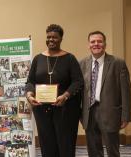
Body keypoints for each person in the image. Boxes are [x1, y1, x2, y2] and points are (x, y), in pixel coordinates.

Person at [25, 24, 84, 157]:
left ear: (61, 39)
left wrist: (65, 95)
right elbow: (30, 81)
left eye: (55, 37)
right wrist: (29, 95)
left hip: (65, 110)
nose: (51, 40)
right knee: (47, 144)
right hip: (42, 110)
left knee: (66, 145)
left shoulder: (70, 58)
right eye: (49, 37)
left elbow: (78, 81)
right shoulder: (38, 59)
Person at [80, 31, 131, 157]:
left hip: (110, 113)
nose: (96, 44)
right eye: (93, 42)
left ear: (105, 44)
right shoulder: (82, 63)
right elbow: (80, 90)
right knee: (93, 151)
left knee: (112, 151)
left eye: (99, 41)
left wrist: (126, 115)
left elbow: (126, 92)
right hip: (89, 113)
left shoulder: (118, 63)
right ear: (89, 45)